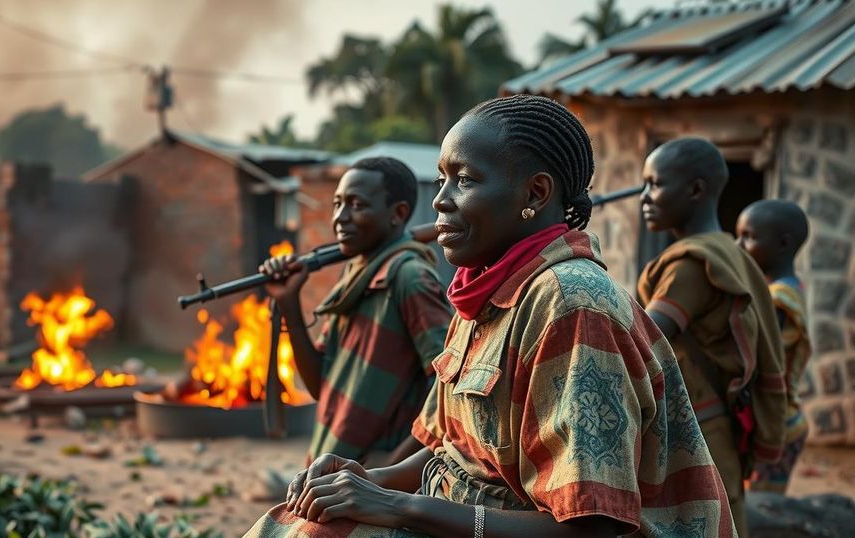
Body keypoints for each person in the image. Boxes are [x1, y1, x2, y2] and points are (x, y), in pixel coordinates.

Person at [245, 95, 735, 537]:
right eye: (442, 179)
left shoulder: (573, 306)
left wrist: (398, 507)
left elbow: (592, 528)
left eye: (465, 180)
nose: (439, 199)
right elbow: (450, 453)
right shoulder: (484, 292)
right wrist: (362, 479)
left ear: (535, 195)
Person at [636, 137, 788, 536]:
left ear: (696, 190)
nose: (645, 197)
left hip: (696, 426)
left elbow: (640, 342)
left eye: (656, 184)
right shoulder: (733, 255)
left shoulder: (692, 264)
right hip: (720, 421)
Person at [260, 156, 452, 468]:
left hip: (371, 481)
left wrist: (392, 469)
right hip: (333, 469)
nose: (340, 217)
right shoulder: (357, 274)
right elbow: (319, 386)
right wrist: (289, 305)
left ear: (398, 214)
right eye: (337, 204)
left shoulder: (409, 277)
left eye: (356, 205)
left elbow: (448, 389)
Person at [735, 200, 811, 493]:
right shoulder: (788, 288)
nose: (738, 244)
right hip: (784, 419)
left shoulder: (779, 299)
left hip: (777, 425)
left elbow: (758, 357)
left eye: (749, 237)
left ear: (782, 243)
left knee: (761, 507)